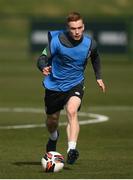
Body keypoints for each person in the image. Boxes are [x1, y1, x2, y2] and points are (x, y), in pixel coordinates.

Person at [37, 12, 105, 165]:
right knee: (52, 121)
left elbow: (95, 56)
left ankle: (71, 149)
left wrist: (98, 77)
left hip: (75, 83)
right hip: (54, 85)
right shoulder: (57, 41)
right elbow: (42, 58)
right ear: (68, 28)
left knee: (72, 111)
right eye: (73, 28)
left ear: (83, 27)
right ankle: (54, 137)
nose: (77, 31)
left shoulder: (90, 43)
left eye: (80, 27)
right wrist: (43, 67)